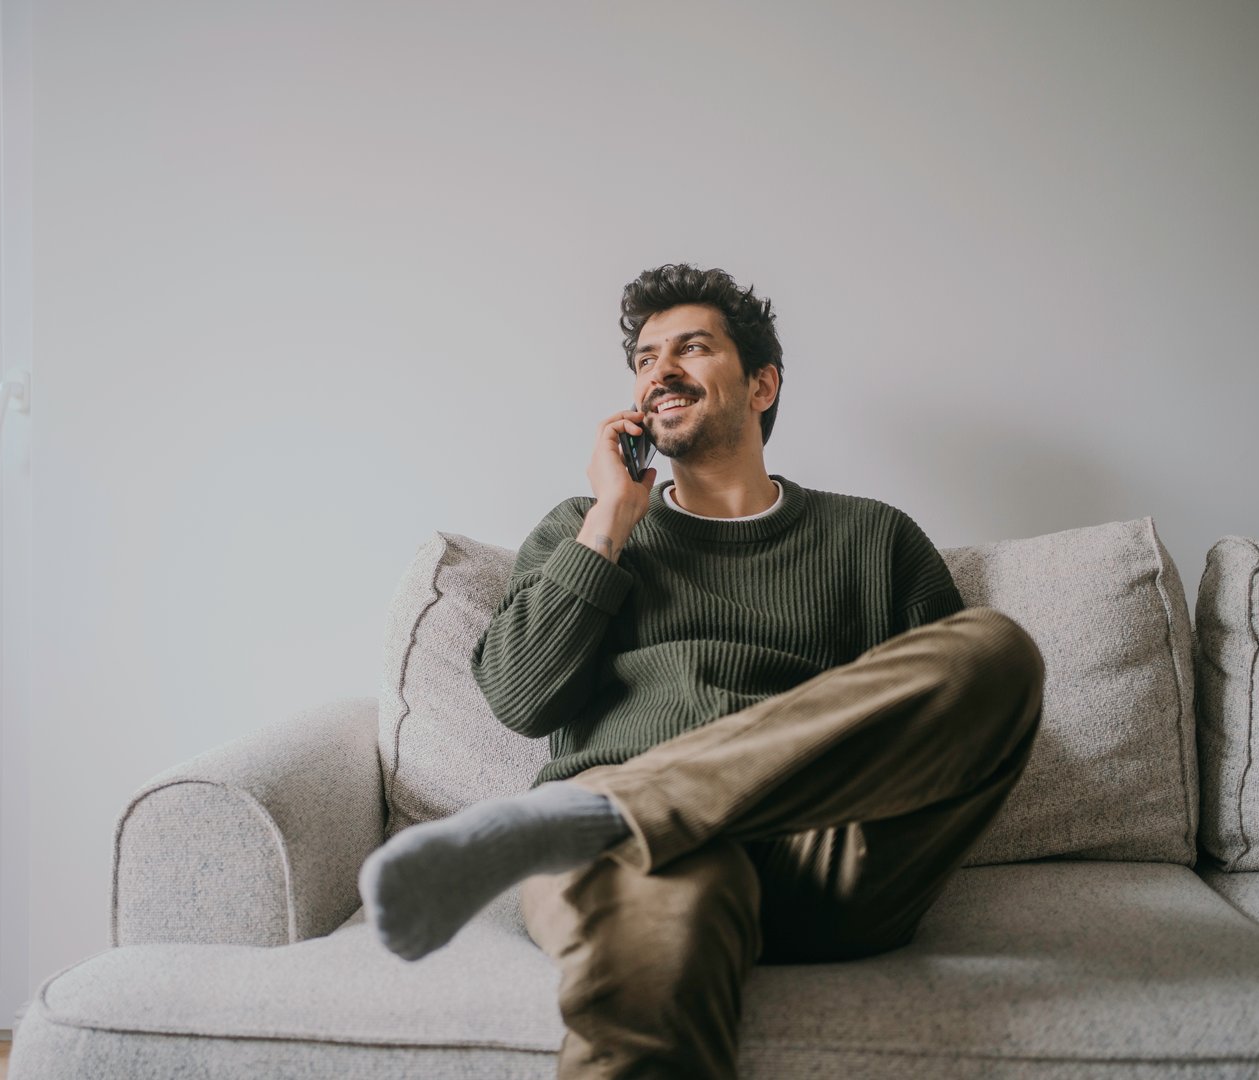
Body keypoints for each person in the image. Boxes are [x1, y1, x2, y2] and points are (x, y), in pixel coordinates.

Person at [359, 263, 1046, 1079]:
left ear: (762, 385)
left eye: (691, 348)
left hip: (823, 857)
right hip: (648, 864)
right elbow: (520, 697)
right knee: (657, 939)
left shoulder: (875, 537)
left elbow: (946, 734)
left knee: (997, 652)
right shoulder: (585, 528)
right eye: (646, 360)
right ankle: (607, 819)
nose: (660, 373)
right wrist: (612, 520)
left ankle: (608, 812)